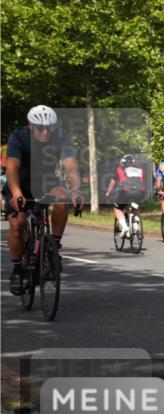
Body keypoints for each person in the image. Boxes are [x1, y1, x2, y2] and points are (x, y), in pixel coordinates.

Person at [4, 105, 83, 295]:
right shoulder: (18, 137)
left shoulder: (61, 137)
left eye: (49, 128)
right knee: (17, 224)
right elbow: (12, 168)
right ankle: (17, 269)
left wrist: (76, 190)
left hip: (47, 182)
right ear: (30, 125)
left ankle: (52, 247)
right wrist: (16, 193)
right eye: (40, 128)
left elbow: (71, 166)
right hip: (20, 184)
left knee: (63, 199)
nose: (45, 132)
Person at [105, 154, 146, 237]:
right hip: (140, 192)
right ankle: (136, 225)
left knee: (117, 208)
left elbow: (112, 183)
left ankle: (124, 227)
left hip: (126, 192)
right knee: (135, 206)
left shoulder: (119, 169)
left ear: (122, 162)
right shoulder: (140, 169)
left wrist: (108, 193)